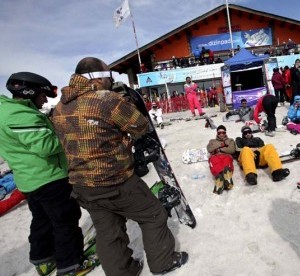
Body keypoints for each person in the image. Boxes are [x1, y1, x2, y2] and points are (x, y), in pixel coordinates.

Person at [51, 57, 188, 276]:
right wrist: (127, 105)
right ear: (96, 78)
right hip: (115, 181)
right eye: (108, 77)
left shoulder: (59, 107)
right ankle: (164, 262)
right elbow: (140, 125)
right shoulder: (106, 100)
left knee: (108, 232)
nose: (110, 81)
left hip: (81, 184)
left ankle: (123, 272)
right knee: (153, 215)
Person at [0, 72, 87, 276]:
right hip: (48, 177)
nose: (45, 100)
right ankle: (70, 264)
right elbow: (46, 146)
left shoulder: (8, 111)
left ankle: (43, 257)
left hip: (29, 179)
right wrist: (69, 134)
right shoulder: (20, 116)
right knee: (65, 220)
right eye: (42, 95)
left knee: (42, 219)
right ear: (29, 93)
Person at [206, 125, 236, 194]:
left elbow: (231, 150)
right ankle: (222, 178)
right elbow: (209, 149)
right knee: (215, 163)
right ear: (217, 133)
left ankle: (222, 180)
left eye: (223, 132)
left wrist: (219, 149)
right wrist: (222, 145)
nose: (221, 134)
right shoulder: (212, 141)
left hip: (226, 155)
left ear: (225, 133)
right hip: (215, 156)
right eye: (219, 133)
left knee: (226, 164)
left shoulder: (230, 140)